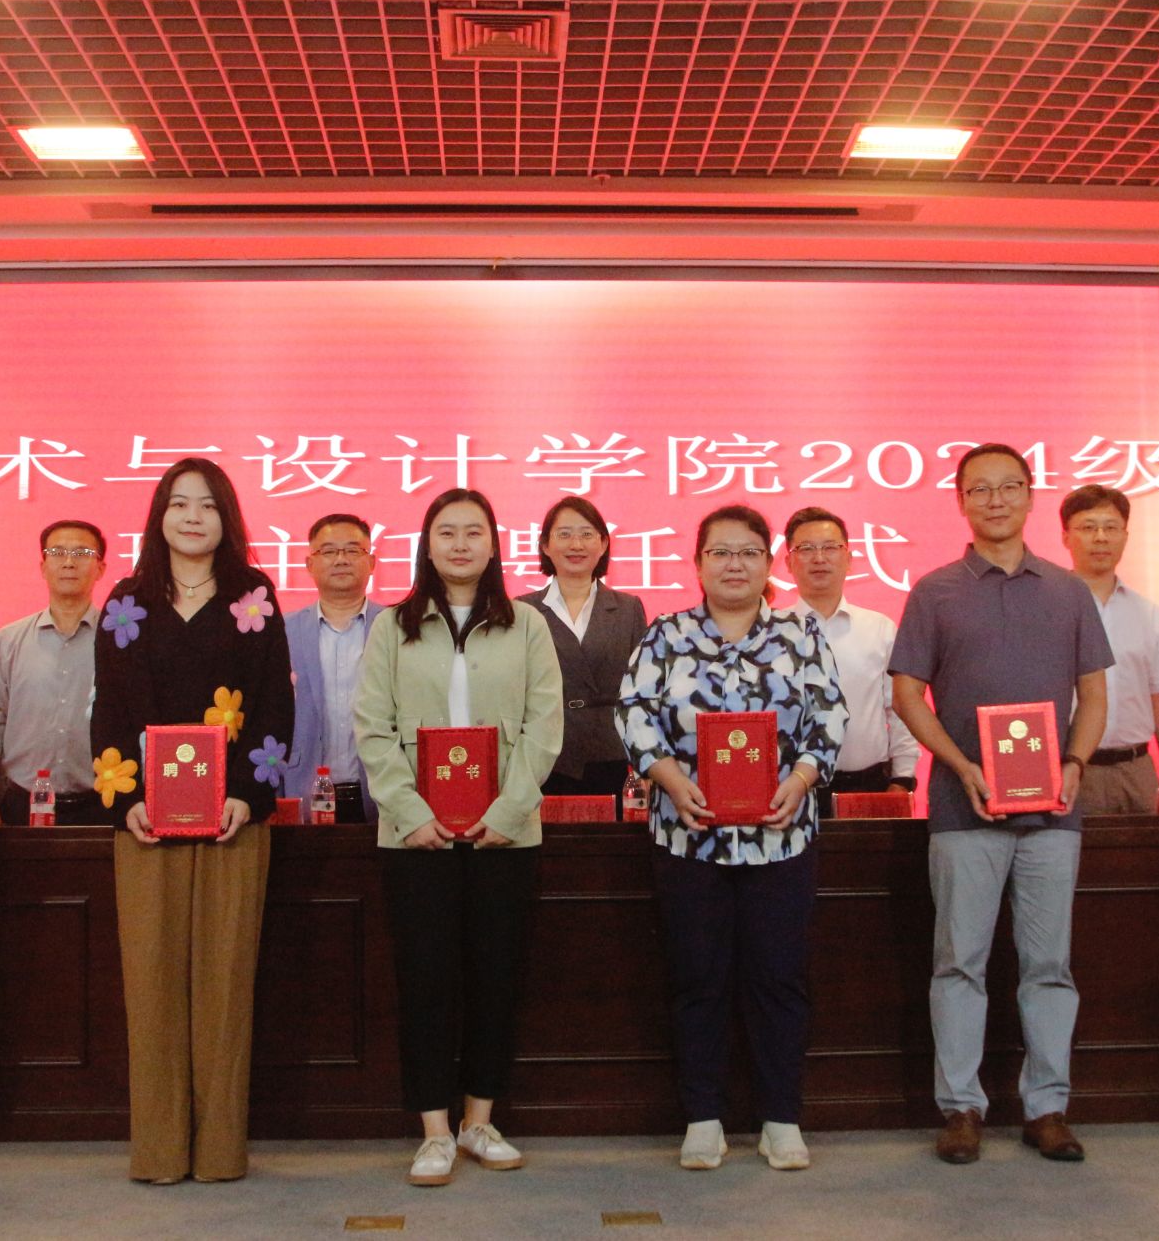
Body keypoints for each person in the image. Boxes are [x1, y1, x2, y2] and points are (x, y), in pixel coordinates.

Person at [889, 444, 1112, 1166]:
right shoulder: (935, 591)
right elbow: (906, 693)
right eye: (979, 489)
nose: (995, 500)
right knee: (960, 962)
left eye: (1008, 486)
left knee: (1049, 963)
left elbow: (1094, 692)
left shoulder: (1069, 591)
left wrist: (1075, 762)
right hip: (964, 811)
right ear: (960, 500)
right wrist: (960, 766)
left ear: (1030, 495)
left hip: (1055, 813)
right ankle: (961, 1107)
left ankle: (1047, 1107)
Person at [617, 504, 845, 1173]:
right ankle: (703, 1118)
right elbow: (633, 713)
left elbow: (830, 714)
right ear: (698, 564)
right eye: (720, 552)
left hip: (781, 838)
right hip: (690, 839)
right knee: (697, 977)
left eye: (748, 552)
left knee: (779, 978)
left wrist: (801, 780)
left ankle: (781, 1118)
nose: (735, 564)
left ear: (769, 563)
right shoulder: (666, 635)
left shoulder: (799, 633)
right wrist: (668, 778)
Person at [89, 458, 294, 1184]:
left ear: (226, 517)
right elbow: (109, 709)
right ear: (160, 516)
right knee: (151, 988)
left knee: (224, 987)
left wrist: (248, 794)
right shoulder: (126, 602)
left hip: (234, 820)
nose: (192, 517)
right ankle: (160, 1150)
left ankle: (219, 1152)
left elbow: (274, 705)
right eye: (179, 504)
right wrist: (126, 799)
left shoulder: (254, 597)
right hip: (146, 823)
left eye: (207, 505)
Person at [356, 488, 564, 1187]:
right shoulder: (393, 626)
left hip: (506, 835)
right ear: (427, 544)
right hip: (415, 837)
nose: (460, 544)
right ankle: (434, 1131)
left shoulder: (527, 625)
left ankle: (479, 1120)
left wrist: (508, 811)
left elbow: (544, 725)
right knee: (425, 980)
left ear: (495, 544)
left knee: (495, 977)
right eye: (446, 532)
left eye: (474, 532)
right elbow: (373, 727)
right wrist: (409, 811)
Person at [0, 519, 110, 825]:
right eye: (57, 552)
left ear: (100, 568)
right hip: (20, 802)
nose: (69, 562)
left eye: (82, 553)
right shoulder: (9, 639)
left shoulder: (117, 641)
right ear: (43, 567)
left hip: (100, 803)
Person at [780, 506, 920, 816]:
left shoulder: (879, 628)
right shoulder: (772, 633)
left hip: (869, 785)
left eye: (830, 548)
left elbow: (900, 709)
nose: (819, 558)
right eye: (806, 549)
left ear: (849, 558)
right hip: (790, 790)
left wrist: (902, 778)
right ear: (788, 562)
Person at [1058, 486, 1159, 813]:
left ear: (1125, 537)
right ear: (1066, 537)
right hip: (1069, 771)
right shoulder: (1047, 610)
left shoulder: (1147, 614)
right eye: (1088, 527)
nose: (1101, 537)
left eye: (1111, 527)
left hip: (1136, 770)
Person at [518, 495, 648, 801]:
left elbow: (642, 691)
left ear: (603, 544)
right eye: (564, 534)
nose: (576, 544)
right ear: (545, 545)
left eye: (587, 534)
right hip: (545, 755)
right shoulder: (522, 611)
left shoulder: (628, 609)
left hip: (614, 756)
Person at [282, 513, 385, 823]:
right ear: (309, 564)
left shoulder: (397, 628)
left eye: (353, 550)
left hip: (382, 795)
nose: (341, 559)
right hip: (302, 791)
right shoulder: (282, 632)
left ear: (372, 562)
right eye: (328, 551)